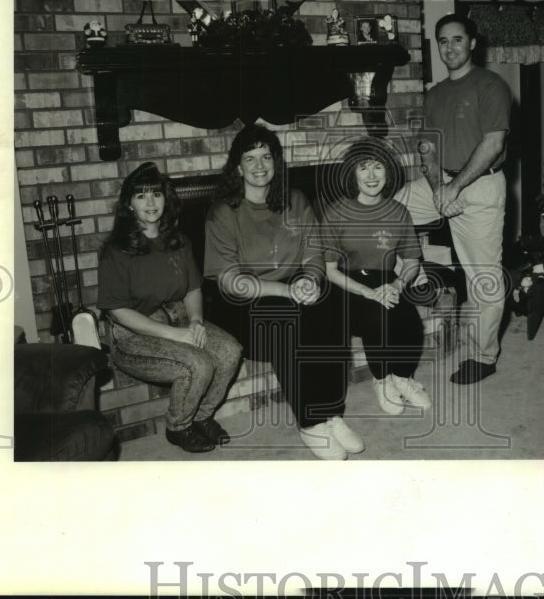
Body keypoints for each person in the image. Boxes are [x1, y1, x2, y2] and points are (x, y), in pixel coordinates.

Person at [203, 124, 364, 460]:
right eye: (250, 158)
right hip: (240, 301)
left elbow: (313, 251)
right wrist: (285, 291)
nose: (259, 165)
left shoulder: (295, 200)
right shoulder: (223, 213)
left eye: (266, 156)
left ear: (276, 162)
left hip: (294, 285)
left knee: (334, 302)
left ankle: (332, 413)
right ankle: (309, 421)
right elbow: (230, 279)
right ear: (238, 167)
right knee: (286, 319)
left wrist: (311, 279)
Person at [395, 13, 510, 385]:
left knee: (483, 276)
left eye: (457, 39)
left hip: (479, 186)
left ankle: (484, 356)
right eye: (443, 41)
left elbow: (493, 144)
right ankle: (406, 285)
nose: (450, 47)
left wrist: (455, 188)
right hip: (441, 185)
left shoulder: (491, 85)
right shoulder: (436, 93)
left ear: (472, 43)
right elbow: (427, 148)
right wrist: (438, 190)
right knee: (388, 212)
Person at [97, 162, 242, 454]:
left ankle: (201, 417)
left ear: (166, 198)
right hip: (130, 333)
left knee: (230, 351)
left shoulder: (178, 240)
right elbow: (117, 311)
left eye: (156, 194)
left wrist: (197, 322)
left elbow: (192, 288)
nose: (151, 202)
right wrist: (175, 336)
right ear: (129, 204)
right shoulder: (116, 250)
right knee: (198, 363)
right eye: (141, 196)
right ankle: (178, 426)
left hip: (177, 317)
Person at [321, 137, 432, 415]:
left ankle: (402, 378)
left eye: (378, 167)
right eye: (363, 168)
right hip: (346, 287)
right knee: (378, 316)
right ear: (352, 173)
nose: (371, 176)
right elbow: (329, 271)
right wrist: (367, 292)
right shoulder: (337, 212)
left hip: (384, 281)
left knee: (410, 320)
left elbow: (412, 261)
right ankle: (381, 380)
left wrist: (396, 283)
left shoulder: (398, 212)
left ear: (388, 171)